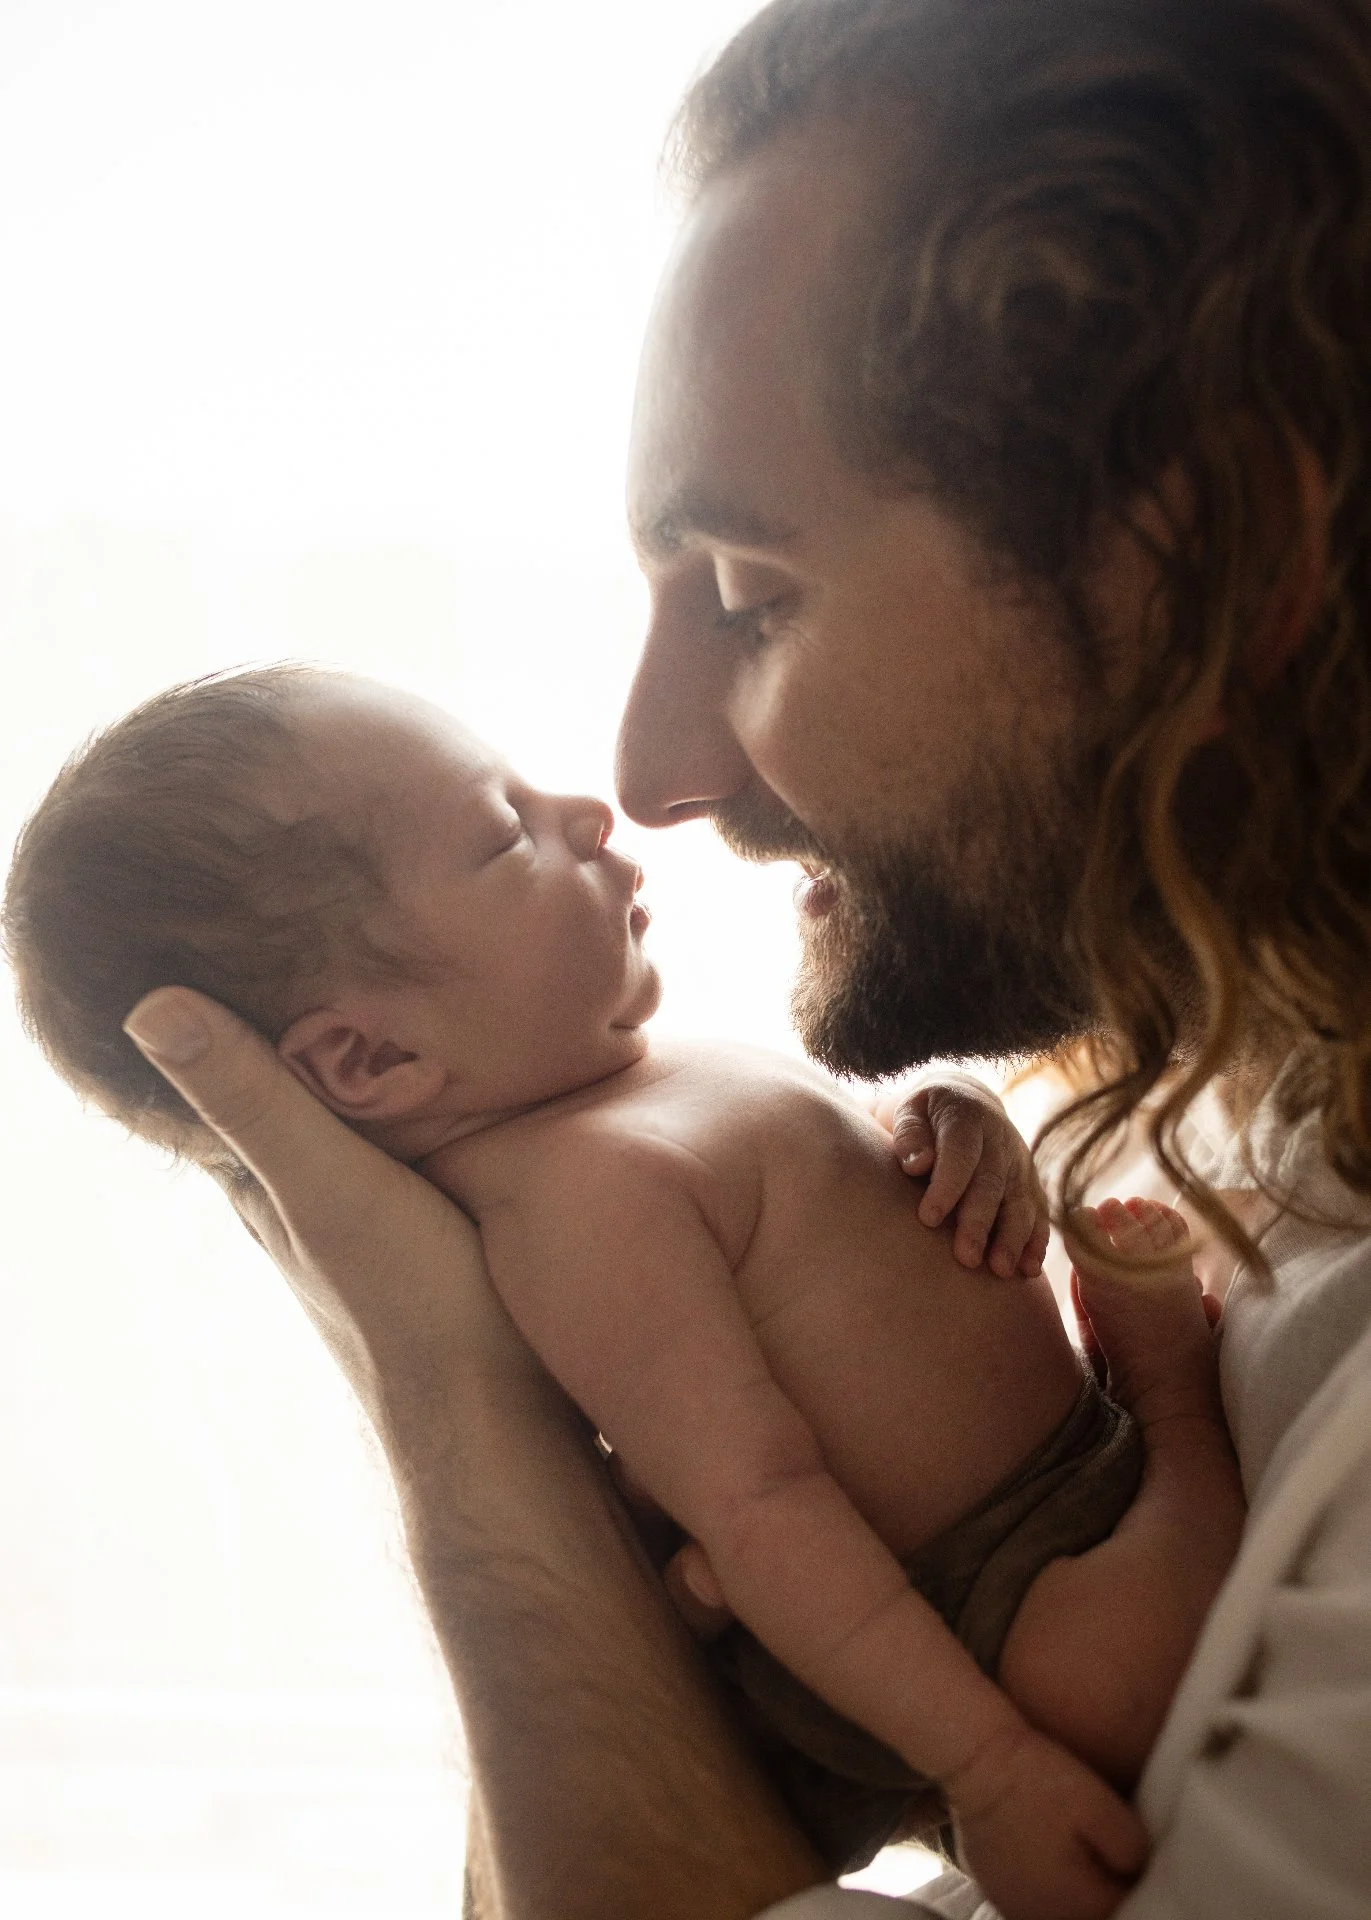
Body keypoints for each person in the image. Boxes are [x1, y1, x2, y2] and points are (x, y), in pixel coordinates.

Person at [95, 0, 1371, 1912]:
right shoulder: (1187, 1113)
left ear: (1226, 564)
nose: (651, 772)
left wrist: (466, 1440)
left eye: (755, 596)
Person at [5, 664, 1245, 1918]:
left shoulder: (645, 1085)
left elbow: (847, 1204)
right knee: (1113, 1688)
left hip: (1058, 1464)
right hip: (988, 1590)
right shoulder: (578, 1210)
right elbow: (761, 1508)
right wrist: (988, 1762)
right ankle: (1179, 1409)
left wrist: (956, 1118)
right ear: (368, 1056)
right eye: (503, 834)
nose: (589, 812)